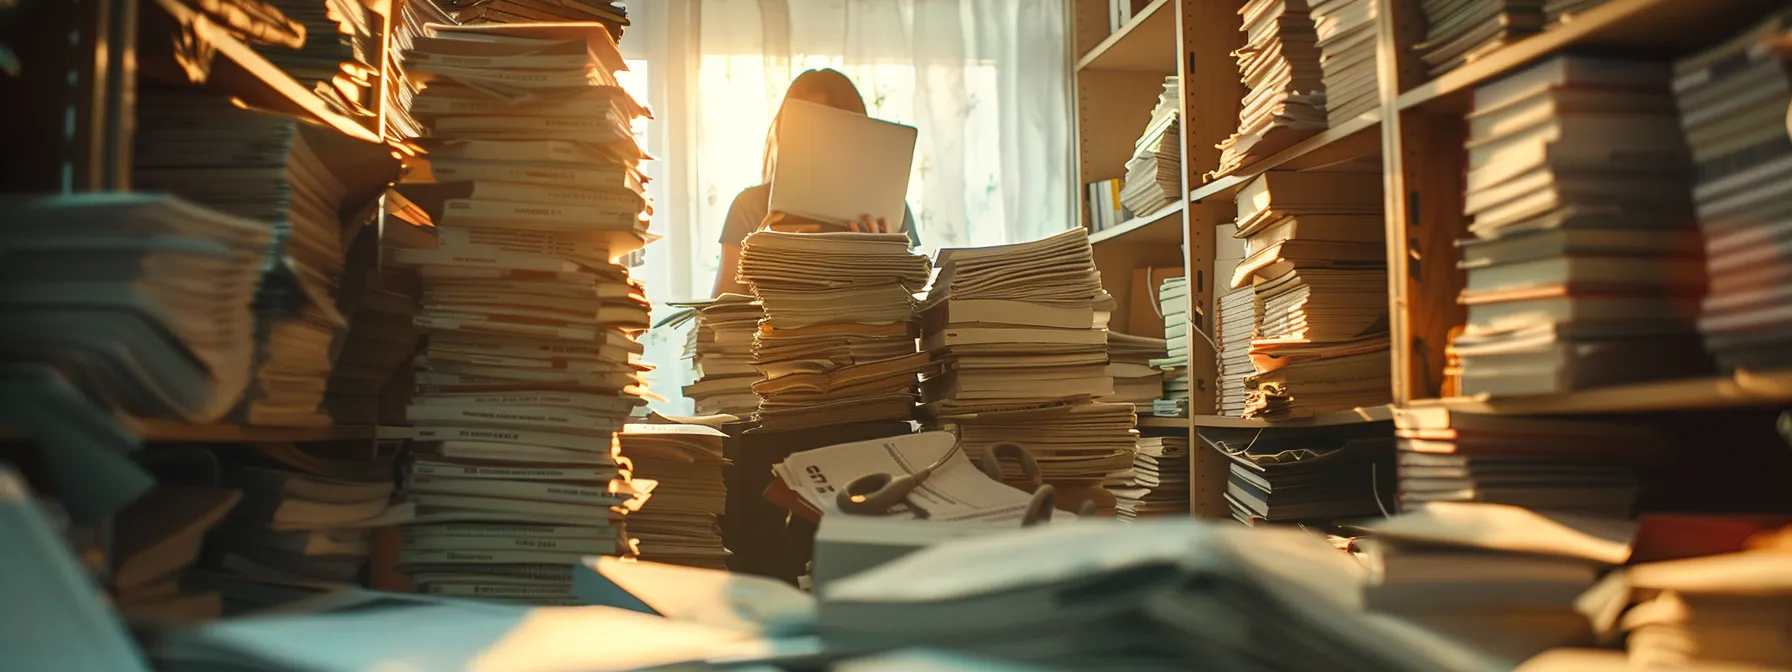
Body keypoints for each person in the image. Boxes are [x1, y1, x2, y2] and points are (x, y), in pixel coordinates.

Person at [712, 68, 922, 297]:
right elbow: (720, 317)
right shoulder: (750, 207)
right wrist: (761, 254)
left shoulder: (890, 211)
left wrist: (885, 259)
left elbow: (917, 311)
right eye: (805, 130)